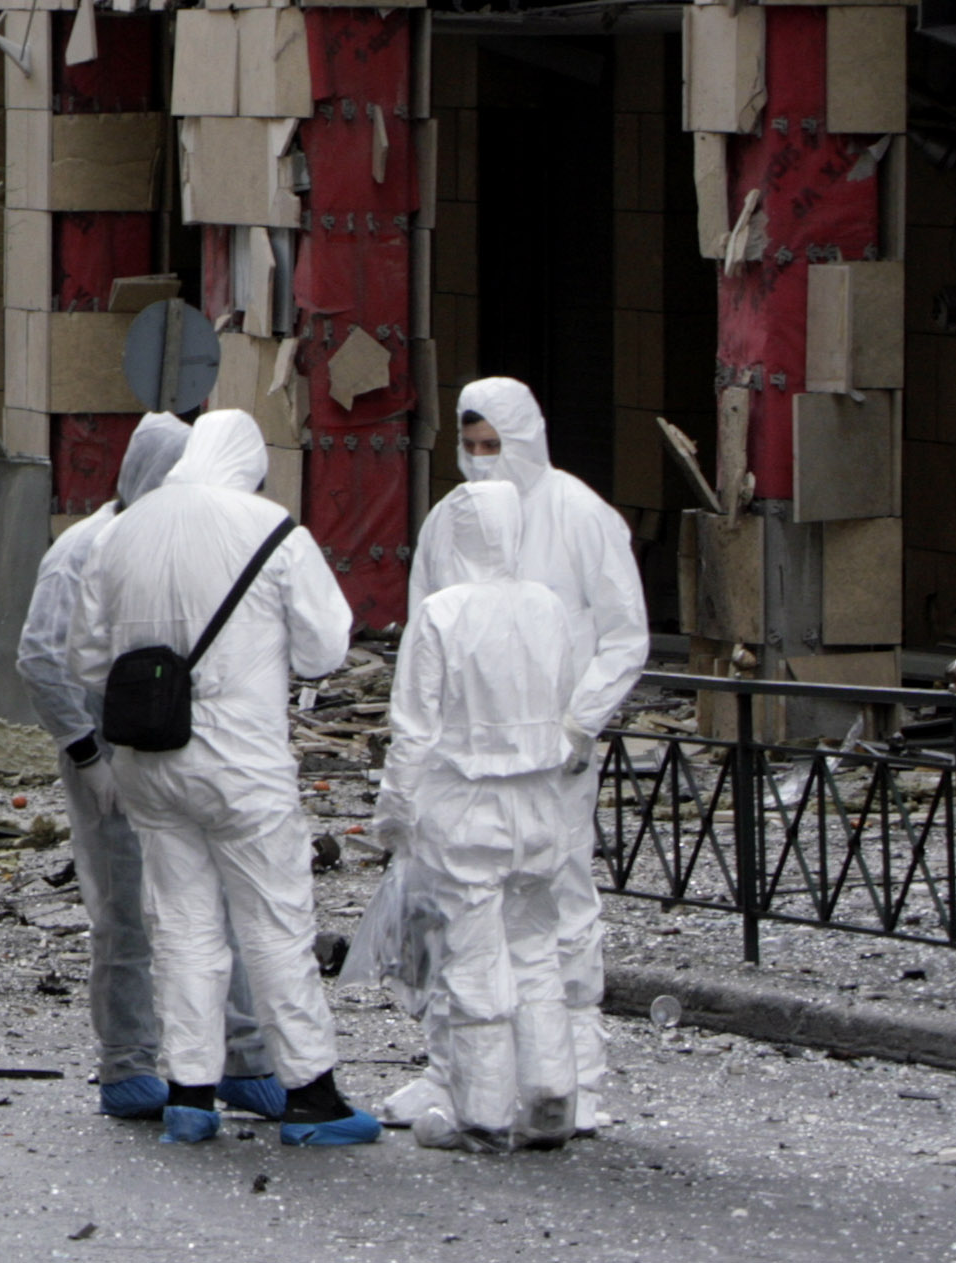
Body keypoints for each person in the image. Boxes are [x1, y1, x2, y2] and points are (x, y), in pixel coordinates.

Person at [76, 408, 372, 1147]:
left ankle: (189, 1095)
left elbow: (86, 659)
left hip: (148, 759)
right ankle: (310, 1093)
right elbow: (324, 647)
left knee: (179, 926)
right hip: (242, 761)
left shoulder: (119, 531)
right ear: (248, 462)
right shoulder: (271, 528)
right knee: (272, 923)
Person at [17, 415, 282, 1121]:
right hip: (111, 752)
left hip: (181, 750)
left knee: (217, 900)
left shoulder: (178, 539)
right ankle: (128, 1062)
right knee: (127, 912)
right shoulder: (80, 551)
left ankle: (243, 1056)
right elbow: (42, 656)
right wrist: (86, 754)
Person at [418, 377, 650, 1121]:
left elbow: (622, 633)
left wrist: (578, 723)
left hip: (553, 757)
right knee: (459, 918)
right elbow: (427, 641)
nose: (483, 461)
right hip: (469, 760)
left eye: (495, 446)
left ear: (526, 440)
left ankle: (573, 1074)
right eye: (471, 446)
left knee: (562, 904)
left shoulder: (579, 514)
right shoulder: (447, 523)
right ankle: (454, 1073)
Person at [372, 482, 593, 1150]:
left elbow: (412, 729)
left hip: (465, 805)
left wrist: (394, 811)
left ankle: (483, 1110)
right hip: (539, 803)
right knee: (533, 946)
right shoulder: (547, 606)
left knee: (470, 955)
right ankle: (552, 1091)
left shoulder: (440, 614)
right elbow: (567, 703)